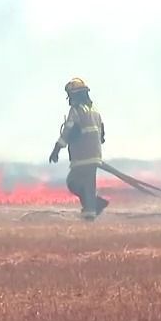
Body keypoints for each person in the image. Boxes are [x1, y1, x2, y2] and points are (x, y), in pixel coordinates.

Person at [49, 78, 109, 220]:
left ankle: (94, 206)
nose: (70, 99)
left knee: (73, 182)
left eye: (71, 95)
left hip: (82, 157)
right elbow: (102, 133)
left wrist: (56, 150)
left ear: (76, 95)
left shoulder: (76, 110)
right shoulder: (94, 110)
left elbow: (68, 131)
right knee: (88, 186)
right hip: (95, 155)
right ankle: (91, 210)